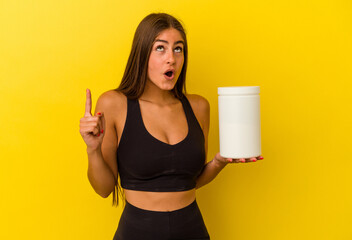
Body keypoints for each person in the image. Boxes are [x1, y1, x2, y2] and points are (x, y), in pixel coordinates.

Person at [79, 13, 263, 240]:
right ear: (142, 53)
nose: (171, 59)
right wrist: (92, 149)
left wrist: (218, 163)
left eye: (178, 49)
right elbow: (104, 189)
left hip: (192, 230)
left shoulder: (198, 107)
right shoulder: (114, 104)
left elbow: (188, 181)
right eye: (160, 48)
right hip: (137, 232)